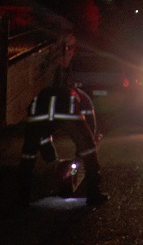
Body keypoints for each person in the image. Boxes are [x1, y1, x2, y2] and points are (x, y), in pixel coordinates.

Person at [17, 63, 109, 207]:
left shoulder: (45, 92)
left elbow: (42, 133)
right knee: (89, 150)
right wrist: (85, 149)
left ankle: (23, 197)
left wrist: (50, 155)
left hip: (37, 114)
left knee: (28, 155)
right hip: (67, 111)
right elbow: (90, 127)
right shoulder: (83, 97)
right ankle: (94, 194)